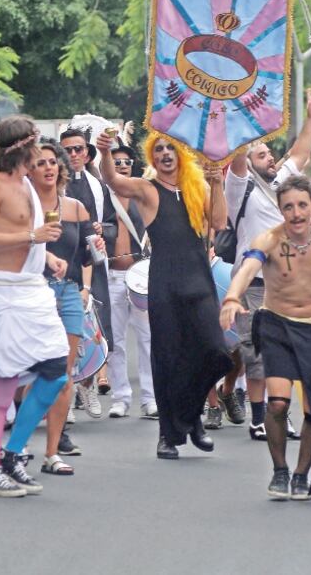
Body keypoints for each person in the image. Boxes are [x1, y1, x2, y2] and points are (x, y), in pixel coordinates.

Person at [96, 130, 233, 459]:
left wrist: (216, 182)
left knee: (215, 351)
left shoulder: (196, 186)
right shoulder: (147, 189)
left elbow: (218, 221)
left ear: (181, 153)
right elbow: (114, 181)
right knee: (168, 357)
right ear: (152, 157)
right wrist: (104, 153)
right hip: (166, 284)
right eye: (158, 149)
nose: (165, 153)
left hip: (199, 281)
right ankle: (169, 435)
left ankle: (191, 415)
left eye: (171, 147)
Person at [220, 175, 311, 499]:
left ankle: (301, 474)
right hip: (277, 326)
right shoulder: (269, 239)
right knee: (277, 403)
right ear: (280, 211)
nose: (296, 213)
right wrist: (233, 297)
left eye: (302, 205)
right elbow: (249, 268)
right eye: (288, 207)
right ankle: (280, 470)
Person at [0, 115, 70, 498]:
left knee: (57, 370)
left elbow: (31, 240)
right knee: (5, 379)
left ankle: (12, 454)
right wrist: (31, 236)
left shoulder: (24, 183)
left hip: (31, 289)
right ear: (22, 148)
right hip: (1, 293)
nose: (43, 154)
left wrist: (46, 256)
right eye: (36, 146)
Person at [221, 90, 311, 437]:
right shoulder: (239, 187)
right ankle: (259, 417)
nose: (270, 158)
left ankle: (281, 413)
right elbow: (236, 160)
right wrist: (241, 128)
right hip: (253, 283)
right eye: (261, 154)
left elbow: (302, 153)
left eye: (270, 154)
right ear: (249, 161)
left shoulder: (281, 186)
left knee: (287, 351)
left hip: (287, 280)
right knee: (255, 351)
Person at [31, 140, 101, 472]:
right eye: (40, 162)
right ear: (29, 170)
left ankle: (56, 443)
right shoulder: (24, 207)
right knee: (38, 368)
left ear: (60, 168)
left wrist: (87, 284)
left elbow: (90, 254)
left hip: (70, 290)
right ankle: (25, 430)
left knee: (64, 370)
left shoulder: (75, 207)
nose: (48, 167)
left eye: (52, 162)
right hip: (35, 290)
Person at [59, 124, 112, 415]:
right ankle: (64, 398)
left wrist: (101, 230)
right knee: (63, 337)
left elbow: (113, 225)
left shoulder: (98, 186)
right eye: (67, 150)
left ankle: (88, 386)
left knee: (95, 330)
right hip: (60, 269)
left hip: (92, 267)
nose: (74, 155)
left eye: (79, 149)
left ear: (87, 153)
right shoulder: (53, 186)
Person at [104, 141, 156, 419]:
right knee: (116, 341)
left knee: (147, 339)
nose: (122, 166)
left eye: (126, 162)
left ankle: (150, 397)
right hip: (112, 274)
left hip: (140, 275)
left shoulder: (141, 195)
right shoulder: (100, 195)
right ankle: (120, 396)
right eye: (117, 162)